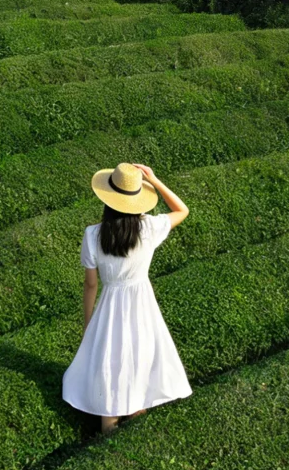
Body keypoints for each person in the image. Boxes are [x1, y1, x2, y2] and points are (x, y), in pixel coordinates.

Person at [62, 161, 192, 436]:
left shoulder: (93, 234)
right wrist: (155, 179)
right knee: (139, 355)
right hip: (142, 303)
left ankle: (108, 426)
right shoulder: (149, 229)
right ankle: (135, 413)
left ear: (108, 199)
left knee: (109, 360)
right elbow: (182, 210)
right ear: (137, 201)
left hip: (109, 304)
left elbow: (90, 283)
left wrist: (88, 323)